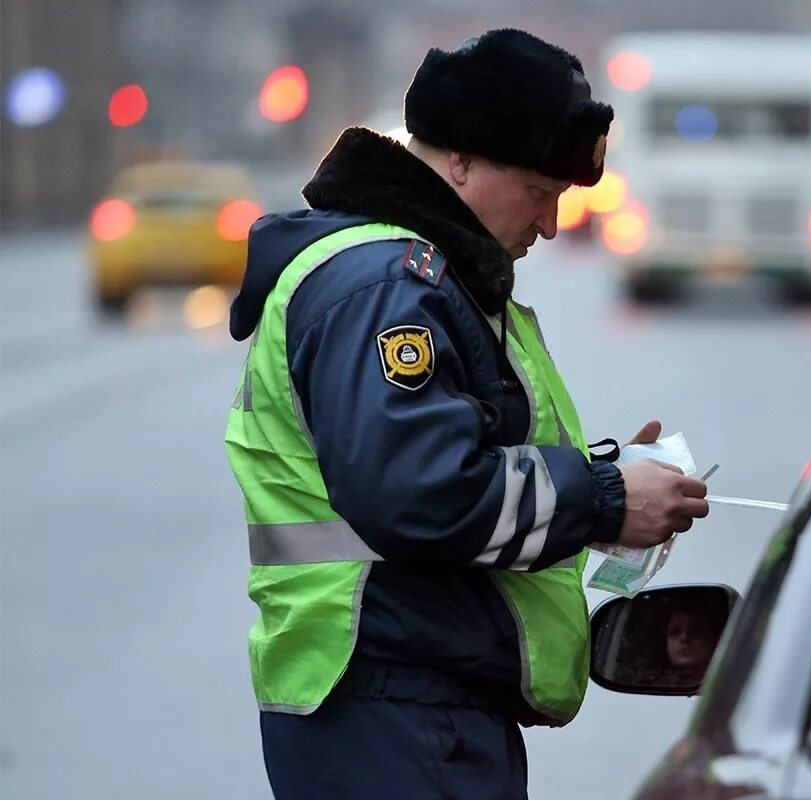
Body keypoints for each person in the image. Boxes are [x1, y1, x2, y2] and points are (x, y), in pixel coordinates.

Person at [223, 29, 710, 799]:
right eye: (540, 194)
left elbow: (461, 460)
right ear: (460, 162)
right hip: (391, 705)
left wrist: (604, 479)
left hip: (411, 699)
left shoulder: (421, 277)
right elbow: (421, 493)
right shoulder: (387, 287)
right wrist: (608, 499)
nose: (550, 225)